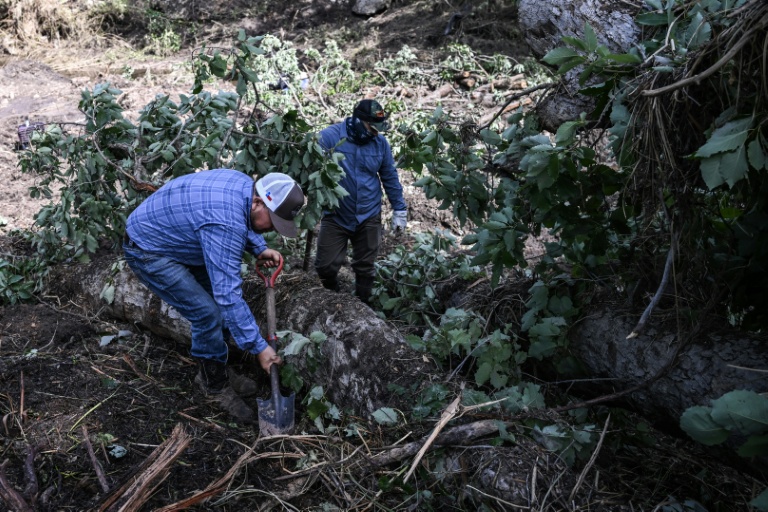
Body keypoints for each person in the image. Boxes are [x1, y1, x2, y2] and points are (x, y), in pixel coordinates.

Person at [123, 169, 305, 424]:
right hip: (148, 249)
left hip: (181, 239)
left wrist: (259, 247)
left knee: (219, 310)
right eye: (274, 221)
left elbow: (240, 219)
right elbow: (227, 295)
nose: (273, 228)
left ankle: (218, 367)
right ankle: (213, 384)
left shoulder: (245, 187)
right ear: (258, 202)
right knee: (207, 314)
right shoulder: (225, 224)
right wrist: (259, 347)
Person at [314, 99, 408, 304]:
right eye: (371, 128)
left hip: (368, 213)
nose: (375, 133)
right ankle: (334, 299)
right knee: (324, 266)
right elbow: (310, 167)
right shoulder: (329, 138)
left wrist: (399, 209)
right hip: (336, 213)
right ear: (358, 121)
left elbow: (389, 176)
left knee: (365, 267)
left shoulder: (380, 144)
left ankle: (362, 305)